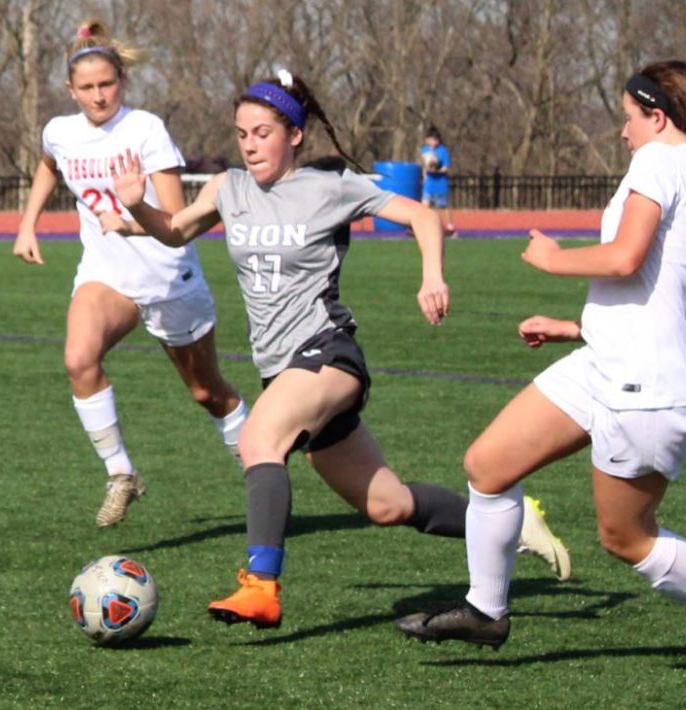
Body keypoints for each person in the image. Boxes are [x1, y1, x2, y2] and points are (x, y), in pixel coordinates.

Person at [110, 70, 570, 629]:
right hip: (283, 373)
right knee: (388, 505)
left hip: (328, 353)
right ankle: (511, 523)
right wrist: (137, 208)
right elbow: (175, 230)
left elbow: (422, 215)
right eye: (241, 134)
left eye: (262, 132)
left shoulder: (331, 187)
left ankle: (260, 586)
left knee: (259, 438)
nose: (250, 145)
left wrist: (431, 276)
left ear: (295, 135)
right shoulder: (227, 188)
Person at [396, 60, 686, 678]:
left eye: (629, 118)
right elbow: (664, 289)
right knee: (488, 465)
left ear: (656, 116)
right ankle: (485, 609)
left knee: (625, 537)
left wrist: (552, 260)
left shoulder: (661, 161)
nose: (622, 131)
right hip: (608, 360)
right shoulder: (684, 165)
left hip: (645, 387)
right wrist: (577, 326)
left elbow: (628, 256)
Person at [13, 20, 247, 528]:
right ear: (71, 90)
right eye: (88, 88)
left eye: (107, 85)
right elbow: (51, 164)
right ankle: (121, 474)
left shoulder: (145, 129)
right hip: (107, 275)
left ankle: (261, 469)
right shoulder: (60, 130)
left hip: (167, 277)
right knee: (78, 359)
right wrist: (27, 223)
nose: (99, 96)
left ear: (123, 81)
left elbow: (177, 224)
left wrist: (131, 212)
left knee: (207, 392)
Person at [420, 126, 456, 237]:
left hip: (440, 183)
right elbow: (424, 165)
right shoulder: (424, 150)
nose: (433, 142)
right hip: (429, 184)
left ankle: (450, 227)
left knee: (443, 206)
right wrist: (425, 174)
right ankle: (422, 227)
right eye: (431, 139)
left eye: (435, 140)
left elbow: (446, 167)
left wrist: (437, 170)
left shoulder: (443, 151)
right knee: (424, 206)